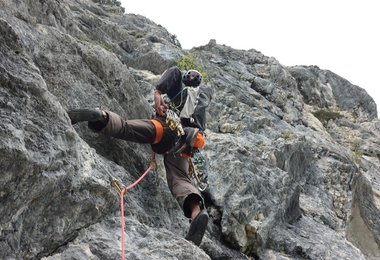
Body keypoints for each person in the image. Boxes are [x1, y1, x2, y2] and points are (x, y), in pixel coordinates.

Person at [67, 66, 213, 246]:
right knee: (180, 179)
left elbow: (174, 72)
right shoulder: (201, 106)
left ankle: (101, 117)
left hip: (164, 128)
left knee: (125, 128)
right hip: (186, 143)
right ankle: (197, 211)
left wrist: (158, 92)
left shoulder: (181, 89)